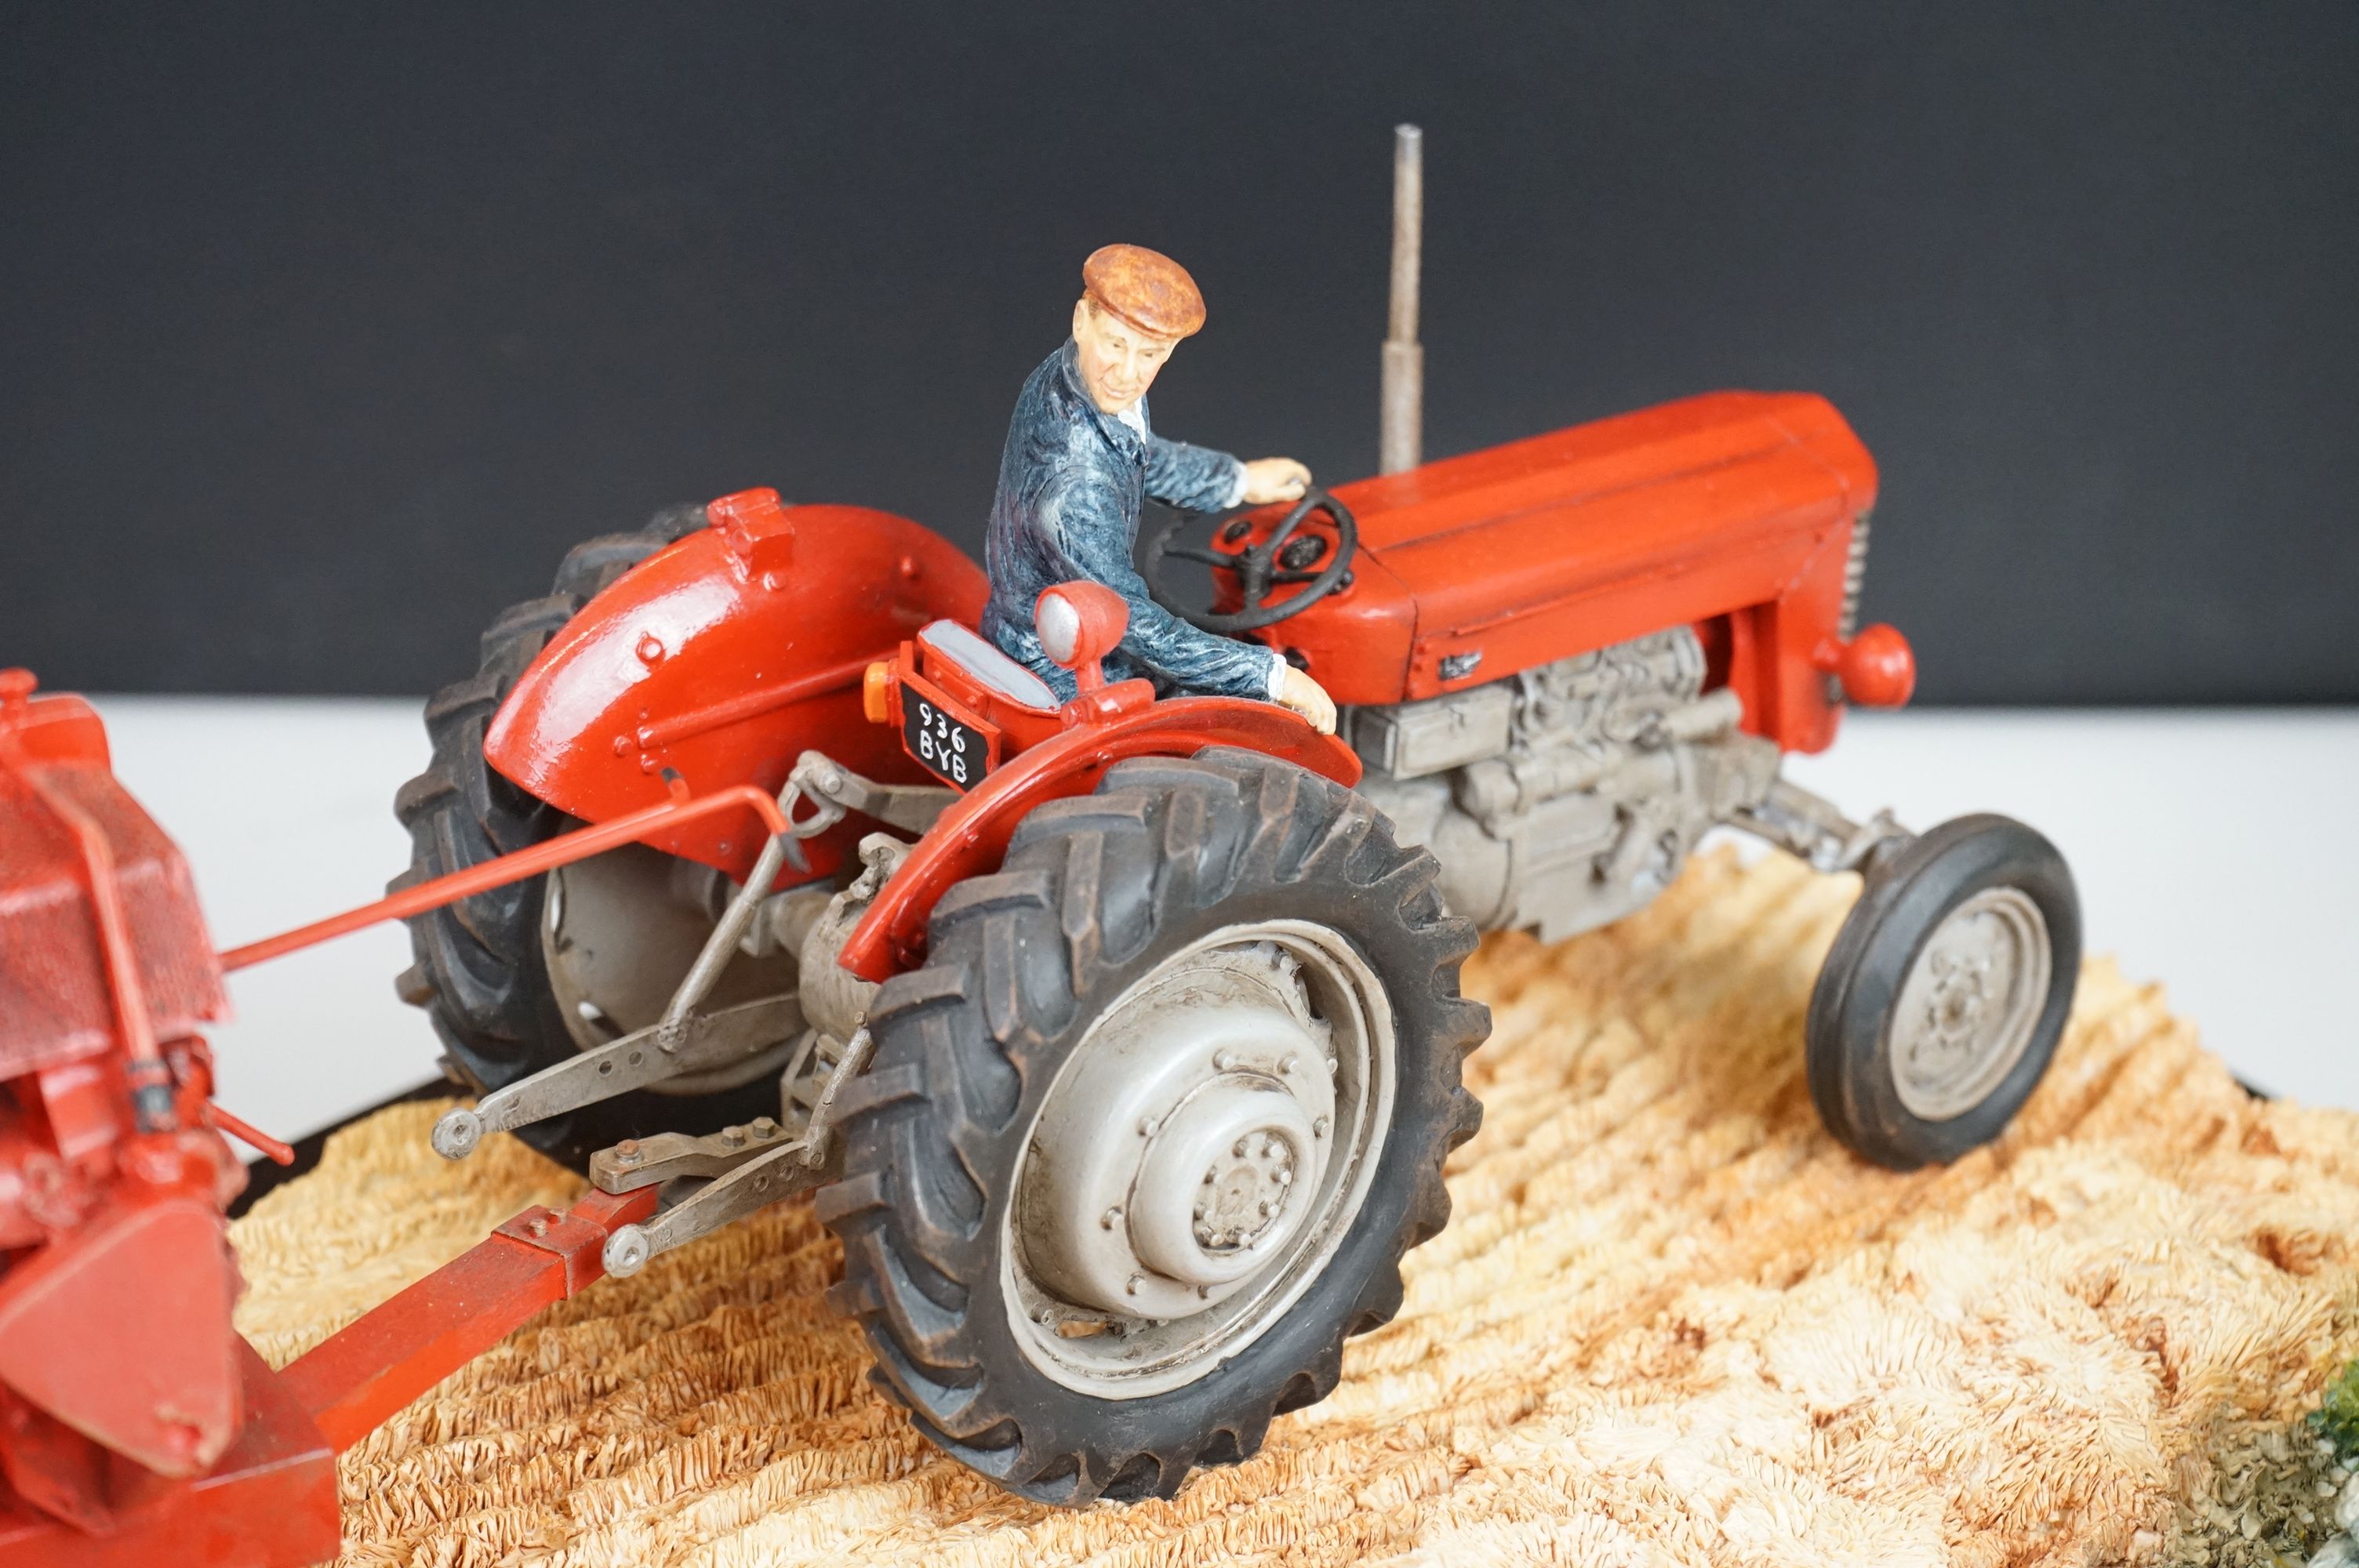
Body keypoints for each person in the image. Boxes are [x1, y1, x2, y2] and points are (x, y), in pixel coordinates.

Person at [979, 244, 1339, 734]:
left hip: (1051, 615)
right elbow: (1130, 622)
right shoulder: (1074, 482)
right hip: (1056, 660)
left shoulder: (1078, 380)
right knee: (1239, 721)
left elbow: (1138, 453)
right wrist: (1271, 676)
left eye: (1149, 354)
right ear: (1082, 319)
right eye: (1116, 345)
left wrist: (1238, 480)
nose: (1128, 374)